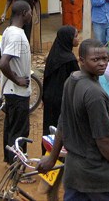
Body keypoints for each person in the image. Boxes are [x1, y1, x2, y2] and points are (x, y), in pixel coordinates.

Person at [37, 39, 109, 200]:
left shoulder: (71, 80)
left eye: (105, 59)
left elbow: (62, 123)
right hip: (98, 174)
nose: (102, 63)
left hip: (74, 173)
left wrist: (52, 159)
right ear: (82, 61)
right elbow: (104, 141)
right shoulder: (95, 95)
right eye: (95, 60)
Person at [0, 0, 33, 163]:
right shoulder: (16, 35)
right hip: (17, 91)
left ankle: (9, 160)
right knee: (20, 131)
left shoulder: (10, 31)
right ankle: (16, 166)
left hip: (13, 91)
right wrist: (17, 79)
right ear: (24, 13)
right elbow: (3, 63)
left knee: (11, 128)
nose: (31, 15)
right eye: (30, 12)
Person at [42, 25, 80, 153]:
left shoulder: (54, 55)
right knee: (61, 128)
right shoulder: (69, 59)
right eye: (75, 36)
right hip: (61, 99)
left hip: (49, 97)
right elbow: (77, 80)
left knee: (49, 127)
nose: (78, 39)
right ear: (68, 39)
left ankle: (47, 153)